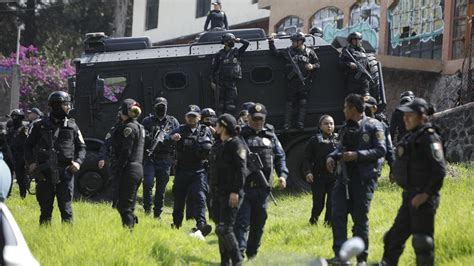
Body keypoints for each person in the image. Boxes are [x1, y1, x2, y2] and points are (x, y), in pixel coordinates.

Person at [381, 98, 445, 266]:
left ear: (422, 116)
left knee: (422, 242)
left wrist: (424, 195)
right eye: (405, 115)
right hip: (409, 196)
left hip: (424, 198)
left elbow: (439, 171)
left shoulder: (430, 138)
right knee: (392, 238)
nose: (405, 119)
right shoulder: (411, 136)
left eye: (410, 115)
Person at [326, 94, 386, 264]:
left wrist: (357, 156)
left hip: (363, 180)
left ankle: (362, 259)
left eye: (345, 107)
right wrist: (331, 157)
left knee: (360, 220)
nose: (343, 110)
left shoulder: (374, 126)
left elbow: (381, 150)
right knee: (337, 217)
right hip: (343, 179)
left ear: (353, 108)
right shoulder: (345, 128)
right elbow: (339, 149)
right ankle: (341, 257)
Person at [234, 103, 289, 259]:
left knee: (259, 223)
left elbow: (280, 156)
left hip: (262, 189)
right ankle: (239, 254)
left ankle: (252, 253)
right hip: (244, 188)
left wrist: (282, 175)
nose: (258, 122)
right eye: (255, 119)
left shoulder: (270, 135)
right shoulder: (240, 135)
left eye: (261, 119)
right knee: (242, 222)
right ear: (248, 118)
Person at [25, 91, 87, 225]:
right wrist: (31, 163)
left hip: (65, 173)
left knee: (66, 209)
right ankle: (45, 236)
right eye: (66, 104)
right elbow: (28, 147)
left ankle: (68, 239)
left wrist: (78, 162)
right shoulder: (39, 125)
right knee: (45, 210)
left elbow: (82, 147)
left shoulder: (72, 126)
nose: (68, 107)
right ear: (56, 105)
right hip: (45, 173)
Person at [166, 105, 213, 236]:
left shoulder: (206, 130)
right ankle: (176, 223)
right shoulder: (179, 130)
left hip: (199, 170)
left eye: (194, 116)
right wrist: (172, 137)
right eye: (189, 116)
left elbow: (214, 146)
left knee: (200, 196)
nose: (192, 118)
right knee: (179, 198)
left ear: (199, 117)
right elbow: (164, 139)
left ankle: (201, 224)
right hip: (182, 170)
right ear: (185, 117)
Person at [211, 113, 246, 266]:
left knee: (225, 228)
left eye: (217, 124)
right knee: (220, 228)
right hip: (219, 193)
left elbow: (241, 171)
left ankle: (237, 261)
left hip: (231, 193)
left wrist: (235, 191)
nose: (215, 127)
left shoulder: (236, 144)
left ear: (223, 126)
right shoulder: (221, 144)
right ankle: (224, 262)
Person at [268, 32, 320, 129]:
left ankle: (300, 123)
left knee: (303, 103)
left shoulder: (310, 52)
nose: (292, 43)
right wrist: (271, 42)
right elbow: (275, 53)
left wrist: (312, 66)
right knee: (289, 103)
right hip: (292, 82)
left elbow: (318, 64)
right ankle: (287, 123)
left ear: (300, 41)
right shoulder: (288, 51)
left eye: (294, 41)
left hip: (304, 81)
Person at [141, 97, 179, 219]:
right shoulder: (147, 121)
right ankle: (147, 209)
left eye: (163, 106)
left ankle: (157, 213)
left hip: (165, 158)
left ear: (167, 107)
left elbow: (178, 138)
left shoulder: (172, 122)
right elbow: (142, 138)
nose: (161, 108)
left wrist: (169, 138)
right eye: (159, 106)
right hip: (150, 157)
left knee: (161, 188)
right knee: (148, 184)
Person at [112, 98, 145, 229]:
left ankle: (129, 230)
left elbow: (126, 151)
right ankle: (131, 222)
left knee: (124, 205)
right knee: (127, 204)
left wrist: (117, 168)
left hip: (130, 168)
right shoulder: (139, 126)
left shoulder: (129, 128)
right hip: (137, 167)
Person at [302, 115, 337, 226]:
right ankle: (313, 221)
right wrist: (308, 172)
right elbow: (306, 158)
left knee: (332, 202)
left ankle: (328, 223)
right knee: (318, 203)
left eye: (331, 123)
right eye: (326, 123)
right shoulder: (314, 141)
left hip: (334, 177)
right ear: (320, 126)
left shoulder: (338, 139)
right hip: (319, 177)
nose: (329, 126)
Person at [211, 33, 249, 114]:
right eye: (231, 41)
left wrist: (239, 40)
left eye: (233, 41)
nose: (233, 42)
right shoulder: (219, 54)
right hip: (221, 82)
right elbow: (214, 69)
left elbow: (247, 43)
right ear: (225, 42)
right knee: (220, 105)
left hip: (231, 82)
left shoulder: (236, 52)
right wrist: (212, 81)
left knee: (230, 105)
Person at [98, 109, 122, 208]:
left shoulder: (135, 127)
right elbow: (106, 144)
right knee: (116, 185)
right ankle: (115, 206)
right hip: (116, 161)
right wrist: (102, 158)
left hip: (130, 162)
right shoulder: (115, 129)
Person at [365, 96, 396, 174]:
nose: (365, 110)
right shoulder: (357, 124)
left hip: (374, 168)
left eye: (367, 107)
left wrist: (392, 168)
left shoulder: (382, 126)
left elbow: (389, 148)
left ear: (375, 108)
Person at [339, 32, 372, 97]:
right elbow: (340, 64)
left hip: (364, 82)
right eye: (359, 40)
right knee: (352, 100)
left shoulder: (362, 51)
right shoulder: (347, 51)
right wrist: (349, 64)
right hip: (353, 82)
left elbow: (367, 65)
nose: (361, 41)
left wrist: (369, 74)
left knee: (366, 99)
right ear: (353, 41)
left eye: (360, 40)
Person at [6, 109, 28, 198]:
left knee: (20, 177)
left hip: (20, 156)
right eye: (13, 116)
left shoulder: (24, 128)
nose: (13, 119)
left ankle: (23, 194)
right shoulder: (10, 129)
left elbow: (27, 143)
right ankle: (8, 193)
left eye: (15, 117)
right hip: (10, 155)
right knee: (8, 175)